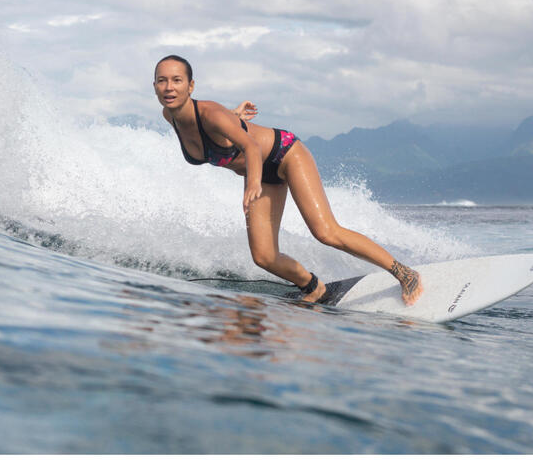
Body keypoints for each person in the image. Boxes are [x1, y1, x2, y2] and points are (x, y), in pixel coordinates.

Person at [153, 55, 423, 305]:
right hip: (260, 173)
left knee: (326, 232)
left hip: (285, 154)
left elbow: (251, 148)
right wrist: (233, 116)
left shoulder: (211, 115)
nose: (169, 87)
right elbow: (220, 127)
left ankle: (404, 273)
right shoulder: (171, 116)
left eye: (177, 80)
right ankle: (314, 288)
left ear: (191, 86)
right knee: (264, 256)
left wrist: (252, 184)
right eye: (162, 80)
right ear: (154, 86)